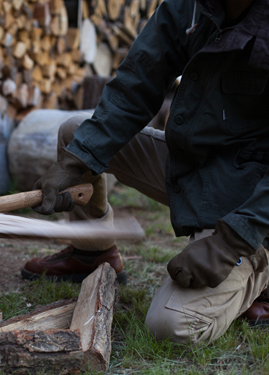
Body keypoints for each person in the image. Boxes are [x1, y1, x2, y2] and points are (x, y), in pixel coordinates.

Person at [21, 0, 269, 345]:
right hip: (195, 167)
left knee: (173, 326)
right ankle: (92, 252)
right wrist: (75, 162)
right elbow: (137, 84)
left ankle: (261, 272)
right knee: (75, 134)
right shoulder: (192, 7)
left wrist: (232, 242)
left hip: (252, 201)